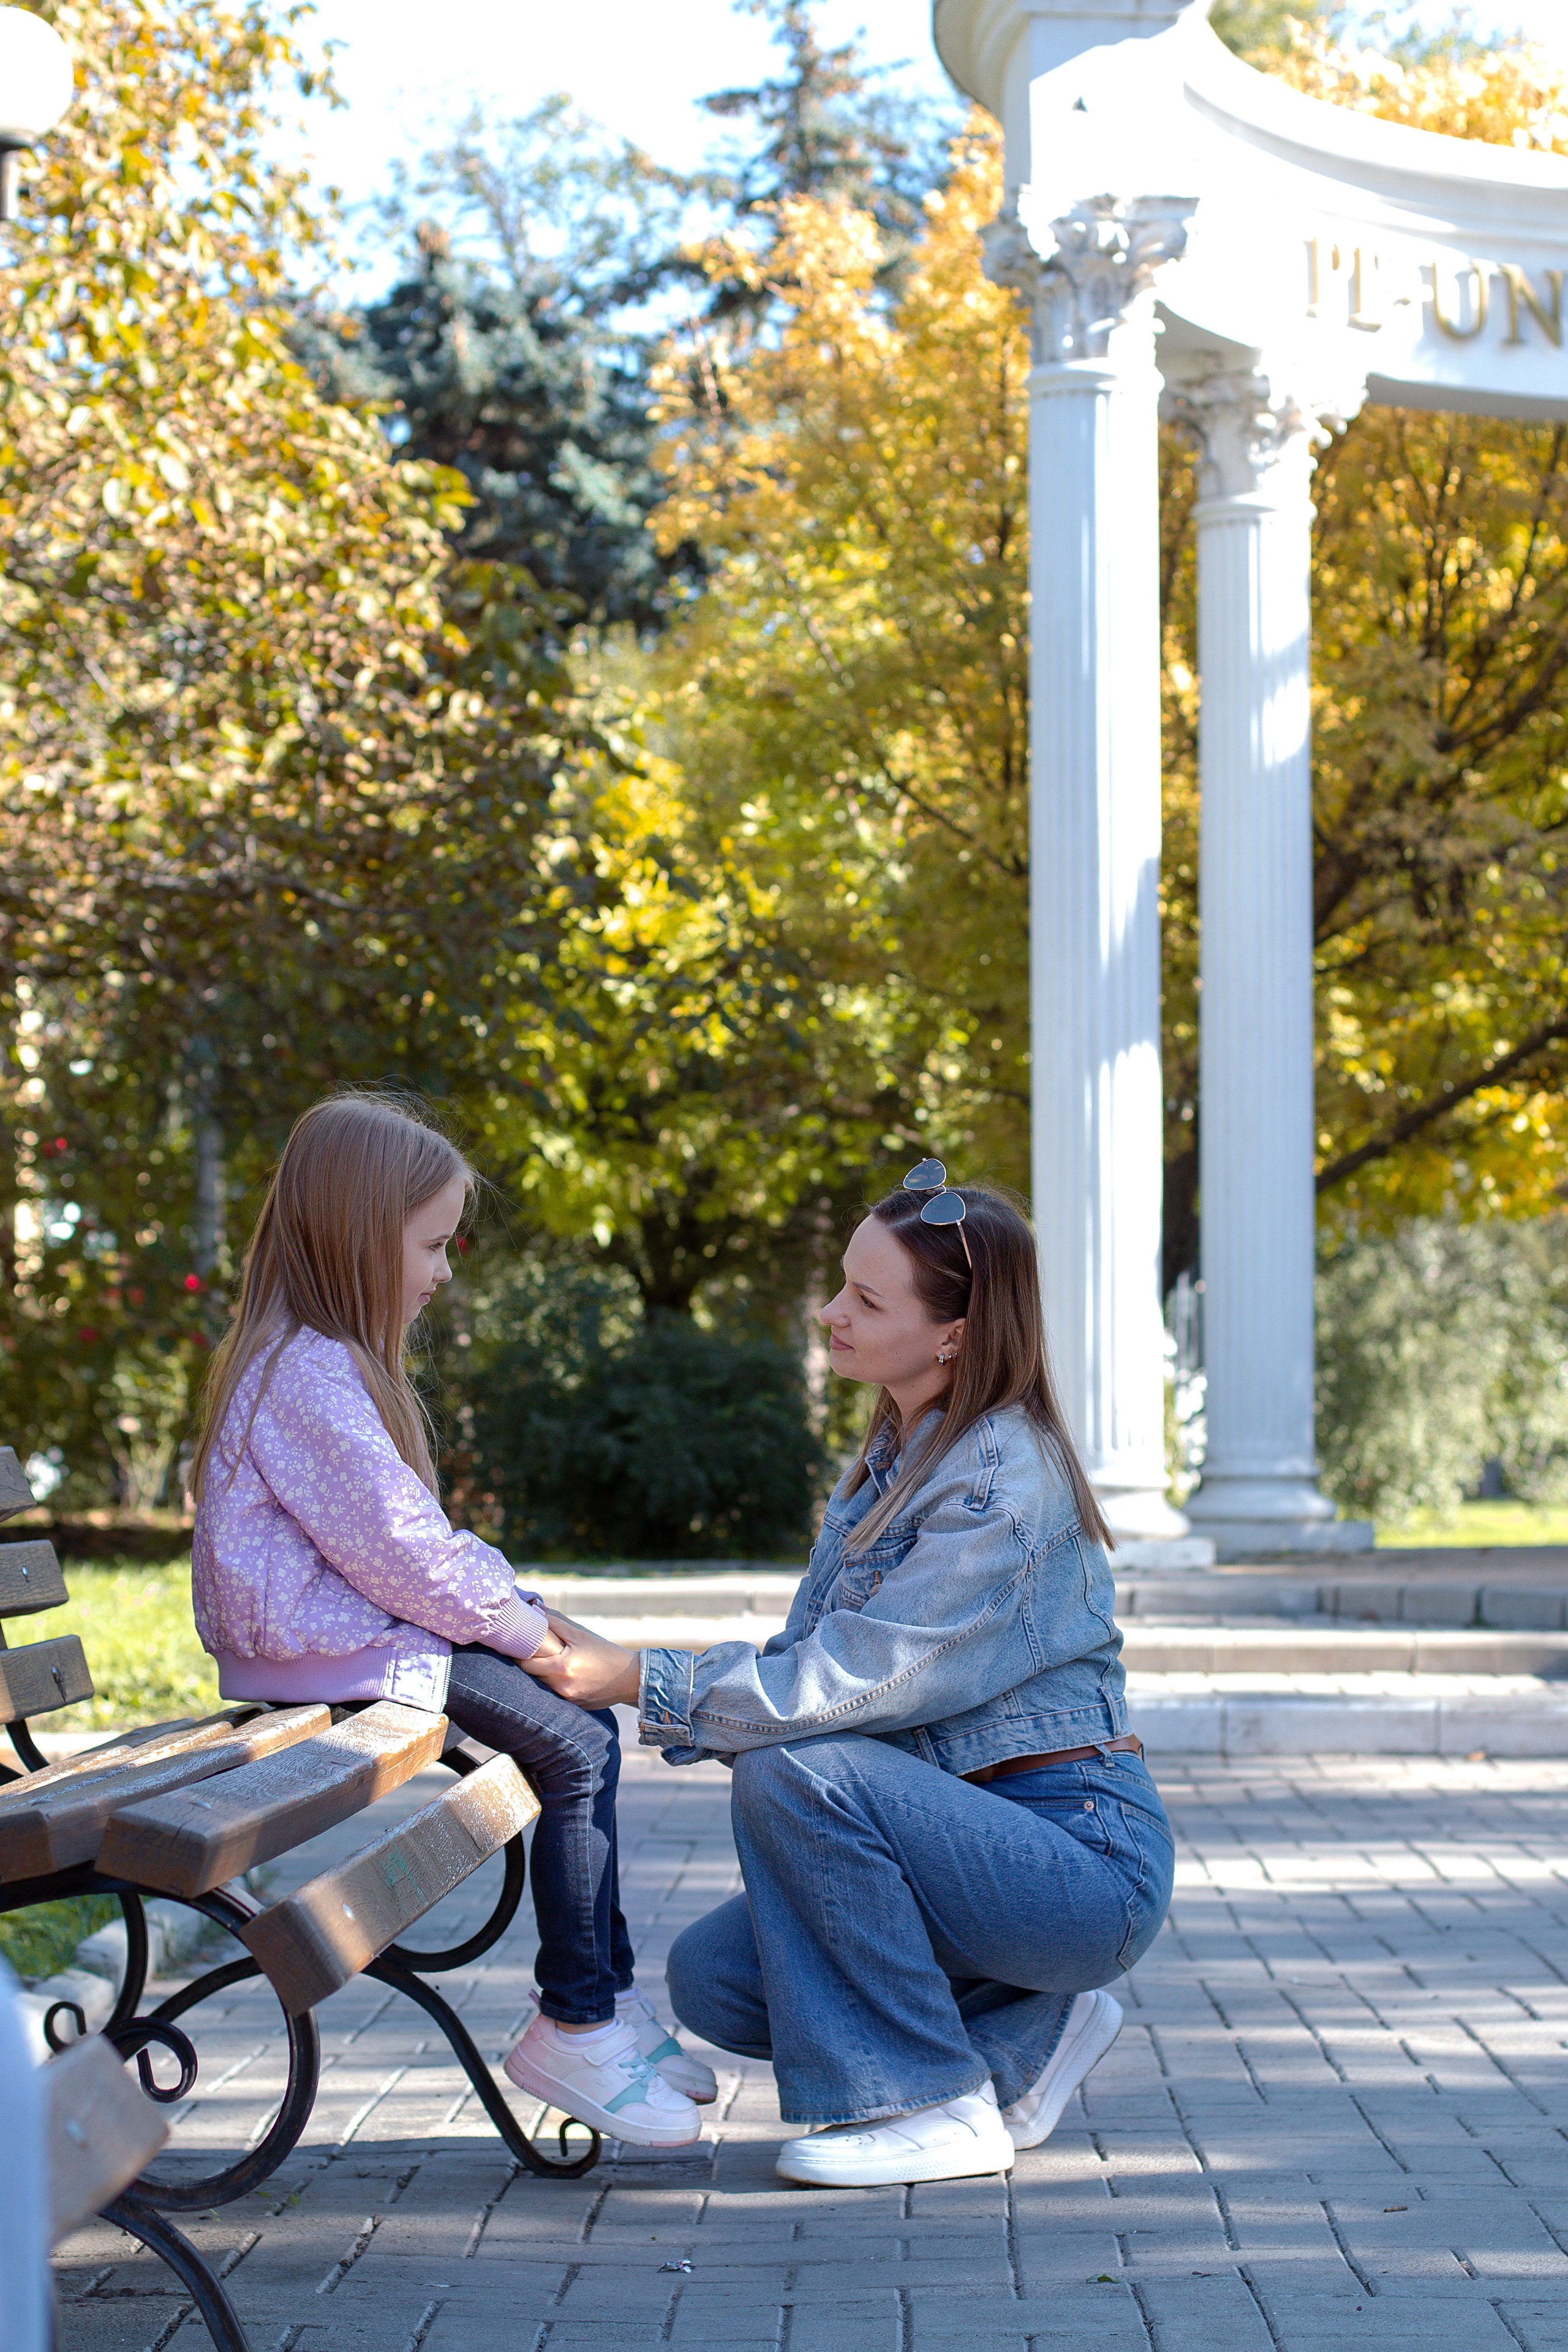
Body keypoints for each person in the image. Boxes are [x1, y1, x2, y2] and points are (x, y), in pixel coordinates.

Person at [518, 1167, 1175, 2187]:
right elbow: (802, 1664)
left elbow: (858, 1681)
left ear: (953, 1332)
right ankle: (1027, 2035)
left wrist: (640, 1680)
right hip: (973, 1849)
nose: (832, 1313)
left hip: (1079, 1864)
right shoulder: (896, 1451)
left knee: (795, 1771)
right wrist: (619, 1660)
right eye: (843, 1286)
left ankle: (935, 2106)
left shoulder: (1003, 1480)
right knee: (719, 1982)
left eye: (868, 1301)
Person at [189, 1091, 714, 2147]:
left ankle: (600, 2000)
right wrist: (523, 1630)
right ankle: (577, 2018)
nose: (443, 1271)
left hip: (342, 1637)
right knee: (572, 1741)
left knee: (583, 1735)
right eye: (431, 1244)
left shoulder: (310, 1359)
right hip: (329, 1649)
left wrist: (519, 1612)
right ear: (357, 1234)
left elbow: (403, 1554)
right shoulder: (308, 1371)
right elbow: (401, 1552)